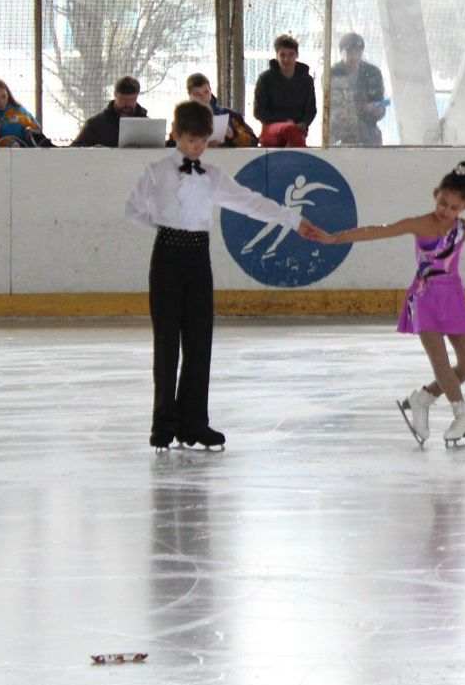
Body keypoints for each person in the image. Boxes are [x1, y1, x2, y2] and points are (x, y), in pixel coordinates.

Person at [308, 161, 465, 447]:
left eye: (454, 207)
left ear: (464, 207)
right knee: (441, 362)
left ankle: (422, 398)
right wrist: (334, 239)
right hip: (425, 296)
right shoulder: (420, 224)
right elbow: (377, 231)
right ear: (435, 195)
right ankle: (461, 414)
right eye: (443, 203)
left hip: (453, 297)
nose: (446, 211)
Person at [124, 100, 322, 452]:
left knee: (199, 342)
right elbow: (133, 209)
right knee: (167, 343)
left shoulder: (213, 177)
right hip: (167, 257)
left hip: (199, 257)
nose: (195, 148)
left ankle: (194, 423)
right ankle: (163, 425)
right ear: (175, 135)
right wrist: (163, 225)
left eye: (201, 142)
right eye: (188, 141)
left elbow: (250, 202)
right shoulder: (156, 171)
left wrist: (292, 220)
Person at [253, 34, 317, 147]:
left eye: (291, 54)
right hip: (271, 128)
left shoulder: (306, 80)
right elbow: (259, 111)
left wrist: (303, 123)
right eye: (282, 55)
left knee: (293, 132)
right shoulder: (265, 79)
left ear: (297, 55)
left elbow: (311, 109)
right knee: (290, 129)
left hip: (297, 130)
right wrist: (285, 121)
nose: (286, 59)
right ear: (276, 56)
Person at [328, 32, 387, 146]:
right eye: (350, 52)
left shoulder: (373, 73)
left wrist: (378, 109)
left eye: (358, 52)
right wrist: (362, 108)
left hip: (367, 131)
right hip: (341, 133)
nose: (354, 57)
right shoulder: (333, 74)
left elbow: (380, 104)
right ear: (342, 53)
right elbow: (335, 107)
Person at [72, 76, 148, 147]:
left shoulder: (147, 125)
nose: (127, 103)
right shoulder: (95, 124)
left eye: (131, 99)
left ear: (137, 96)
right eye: (122, 99)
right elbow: (75, 150)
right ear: (115, 95)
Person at [186, 73, 258, 147]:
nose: (203, 97)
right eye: (197, 94)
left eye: (206, 92)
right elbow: (174, 144)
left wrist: (233, 134)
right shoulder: (183, 119)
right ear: (190, 96)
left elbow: (253, 141)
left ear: (210, 91)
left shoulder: (230, 115)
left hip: (227, 158)